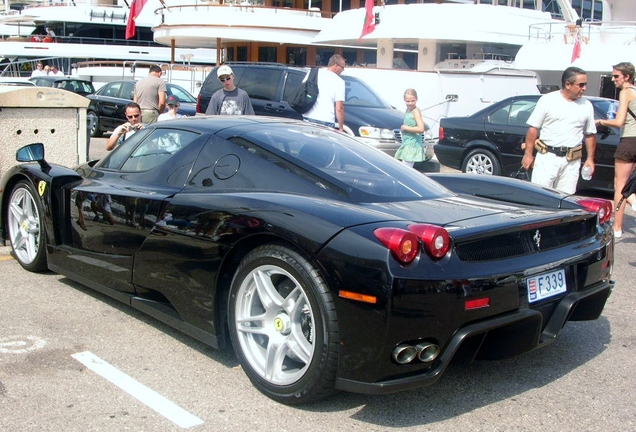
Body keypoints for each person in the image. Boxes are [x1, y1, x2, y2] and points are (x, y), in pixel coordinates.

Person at [521, 66, 596, 195]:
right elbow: (533, 129)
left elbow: (590, 134)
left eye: (585, 84)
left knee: (565, 198)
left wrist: (590, 159)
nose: (584, 88)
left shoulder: (586, 105)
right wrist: (528, 154)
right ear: (568, 84)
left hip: (571, 161)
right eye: (581, 85)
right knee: (540, 196)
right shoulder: (548, 100)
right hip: (548, 157)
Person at [595, 62, 636, 238]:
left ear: (627, 77)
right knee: (630, 183)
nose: (613, 79)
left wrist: (600, 122)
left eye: (616, 76)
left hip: (628, 141)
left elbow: (619, 122)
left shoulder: (625, 92)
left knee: (620, 184)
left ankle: (617, 228)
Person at [302, 54, 345, 131]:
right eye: (342, 67)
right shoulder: (339, 82)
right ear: (335, 66)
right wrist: (341, 127)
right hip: (326, 120)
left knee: (307, 142)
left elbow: (303, 91)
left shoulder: (313, 73)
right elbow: (339, 108)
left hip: (308, 117)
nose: (343, 70)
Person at [394, 88, 425, 167]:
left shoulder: (415, 111)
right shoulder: (408, 110)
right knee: (404, 166)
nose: (410, 103)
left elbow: (421, 129)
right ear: (404, 100)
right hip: (407, 142)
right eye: (408, 101)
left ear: (417, 99)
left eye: (413, 101)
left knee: (406, 168)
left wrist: (406, 128)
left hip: (413, 144)